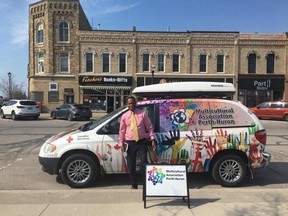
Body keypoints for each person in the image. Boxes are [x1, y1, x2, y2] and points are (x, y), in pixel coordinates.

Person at [119, 96, 156, 189]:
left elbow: (150, 127)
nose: (131, 105)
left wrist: (152, 139)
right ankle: (134, 184)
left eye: (133, 103)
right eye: (129, 103)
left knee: (144, 162)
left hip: (141, 142)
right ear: (127, 105)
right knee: (131, 165)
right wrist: (121, 143)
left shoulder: (142, 114)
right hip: (130, 143)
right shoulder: (124, 116)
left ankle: (146, 184)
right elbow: (122, 131)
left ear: (136, 103)